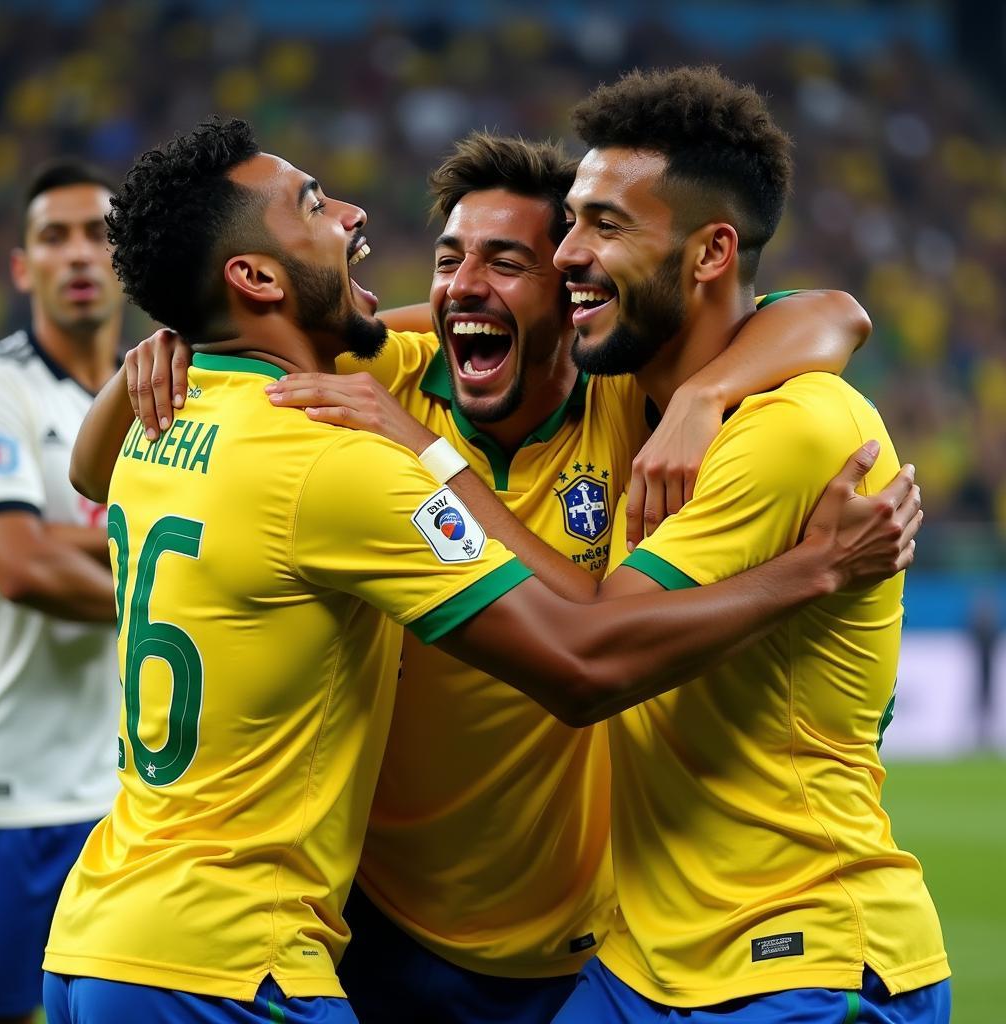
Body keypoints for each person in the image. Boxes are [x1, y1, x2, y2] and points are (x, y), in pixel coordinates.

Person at [46, 118, 918, 1024]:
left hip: (569, 946)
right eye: (449, 259)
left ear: (573, 291)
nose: (465, 287)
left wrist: (705, 395)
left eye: (508, 263)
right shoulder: (376, 394)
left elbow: (833, 313)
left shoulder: (620, 395)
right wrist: (172, 344)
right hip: (369, 926)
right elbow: (112, 447)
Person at [541, 67, 949, 1023]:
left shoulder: (794, 427)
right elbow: (836, 310)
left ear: (711, 250)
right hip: (646, 955)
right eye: (570, 221)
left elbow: (594, 656)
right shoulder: (619, 384)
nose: (566, 252)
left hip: (800, 954)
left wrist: (431, 466)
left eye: (605, 224)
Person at [0, 159, 123, 1024]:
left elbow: (40, 540)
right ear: (22, 267)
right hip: (12, 800)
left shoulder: (160, 402)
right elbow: (19, 564)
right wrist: (172, 588)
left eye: (98, 236)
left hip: (121, 800)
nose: (78, 256)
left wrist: (74, 537)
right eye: (53, 238)